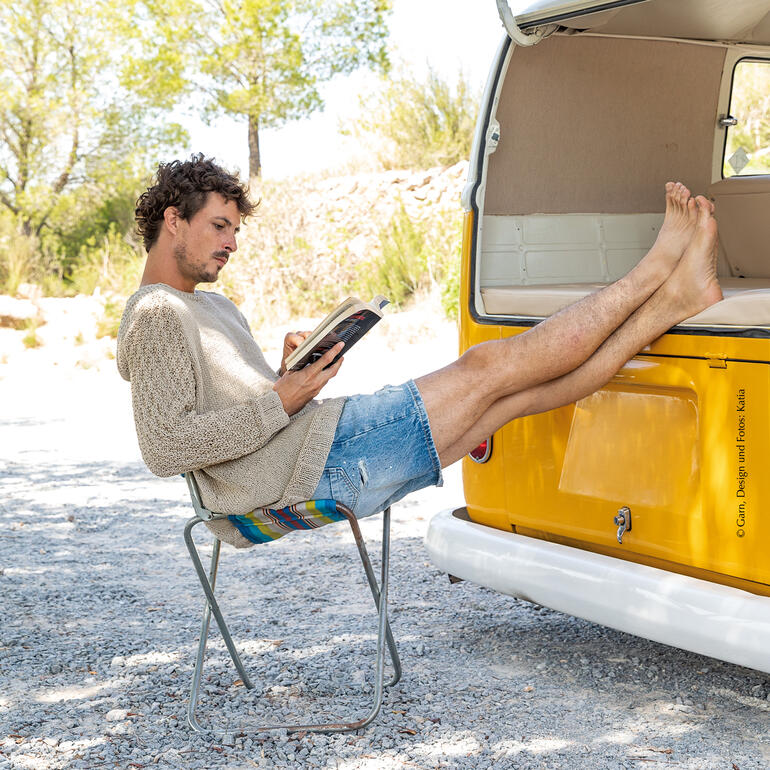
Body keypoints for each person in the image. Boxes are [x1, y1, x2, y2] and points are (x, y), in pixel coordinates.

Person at [117, 155, 722, 549]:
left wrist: (288, 376)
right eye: (219, 227)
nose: (230, 244)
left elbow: (245, 411)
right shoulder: (155, 314)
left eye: (235, 230)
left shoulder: (213, 307)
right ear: (173, 220)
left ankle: (675, 301)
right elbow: (165, 447)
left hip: (309, 452)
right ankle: (656, 270)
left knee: (515, 397)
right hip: (302, 471)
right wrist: (281, 399)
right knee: (490, 369)